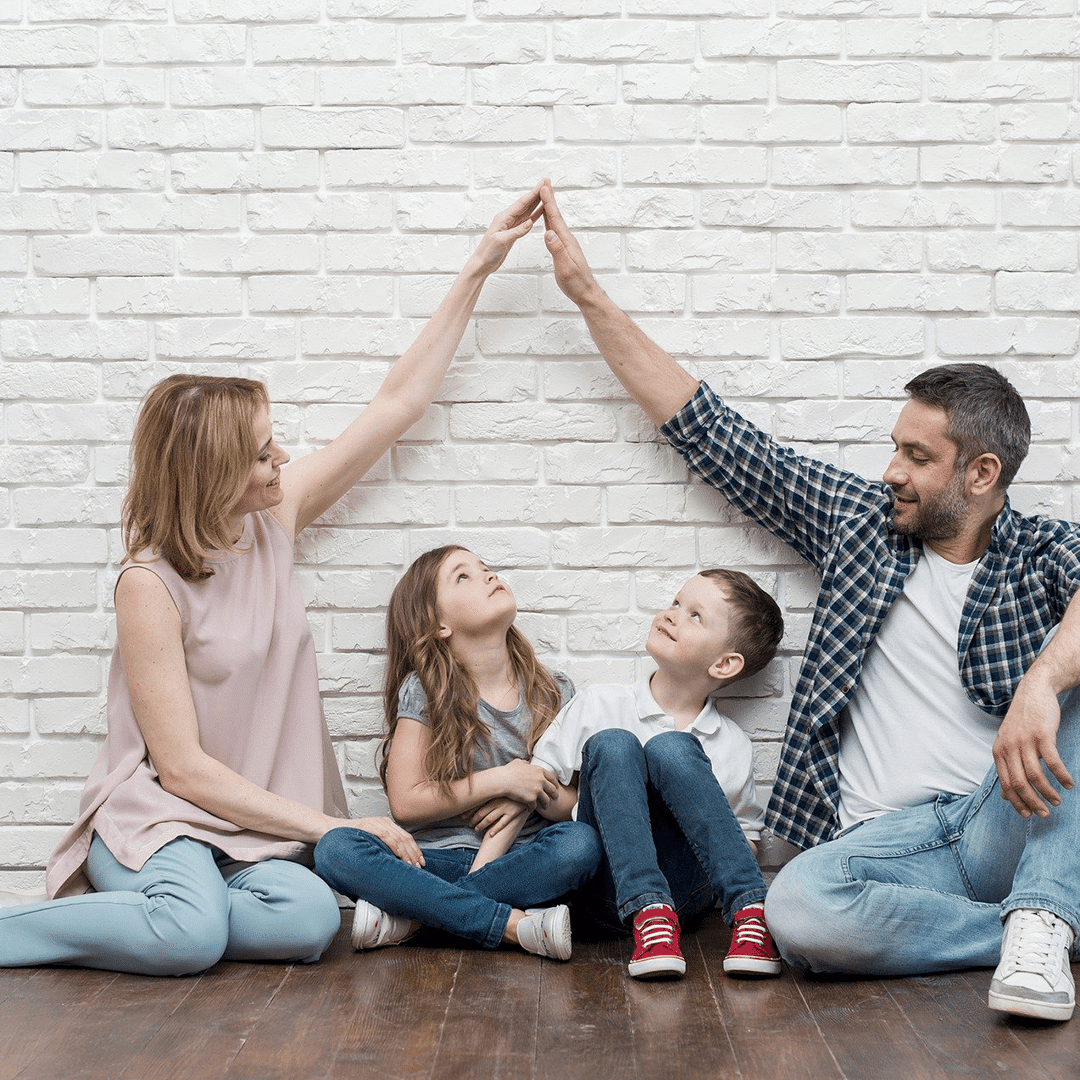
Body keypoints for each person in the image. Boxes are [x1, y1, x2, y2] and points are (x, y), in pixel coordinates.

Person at [539, 181, 1080, 1022]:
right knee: (796, 915)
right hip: (884, 847)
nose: (891, 470)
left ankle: (1045, 910)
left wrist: (1043, 684)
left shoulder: (1041, 551)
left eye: (916, 455)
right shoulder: (858, 522)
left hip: (1003, 817)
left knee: (1076, 684)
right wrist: (586, 296)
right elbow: (711, 431)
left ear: (981, 475)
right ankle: (1030, 932)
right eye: (893, 449)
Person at [0, 186, 546, 977]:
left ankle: (184, 914)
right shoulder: (147, 586)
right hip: (167, 820)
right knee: (191, 940)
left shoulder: (272, 521)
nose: (281, 460)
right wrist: (333, 828)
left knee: (304, 924)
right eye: (261, 452)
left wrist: (479, 267)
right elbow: (182, 769)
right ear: (213, 472)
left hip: (256, 828)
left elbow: (396, 404)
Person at [314, 546, 602, 960]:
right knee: (335, 848)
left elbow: (574, 807)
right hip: (435, 862)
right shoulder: (425, 690)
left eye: (485, 568)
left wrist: (537, 788)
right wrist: (502, 778)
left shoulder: (556, 692)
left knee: (580, 844)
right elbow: (407, 804)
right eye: (463, 577)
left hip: (520, 864)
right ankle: (511, 925)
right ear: (438, 625)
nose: (488, 575)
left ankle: (416, 921)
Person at [527, 568, 784, 981]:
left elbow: (747, 840)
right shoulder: (600, 703)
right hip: (605, 890)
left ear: (724, 664)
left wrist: (692, 822)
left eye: (695, 615)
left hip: (686, 893)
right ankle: (649, 911)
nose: (672, 614)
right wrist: (609, 804)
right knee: (614, 744)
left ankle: (750, 913)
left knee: (672, 748)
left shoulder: (732, 744)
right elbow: (539, 782)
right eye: (677, 602)